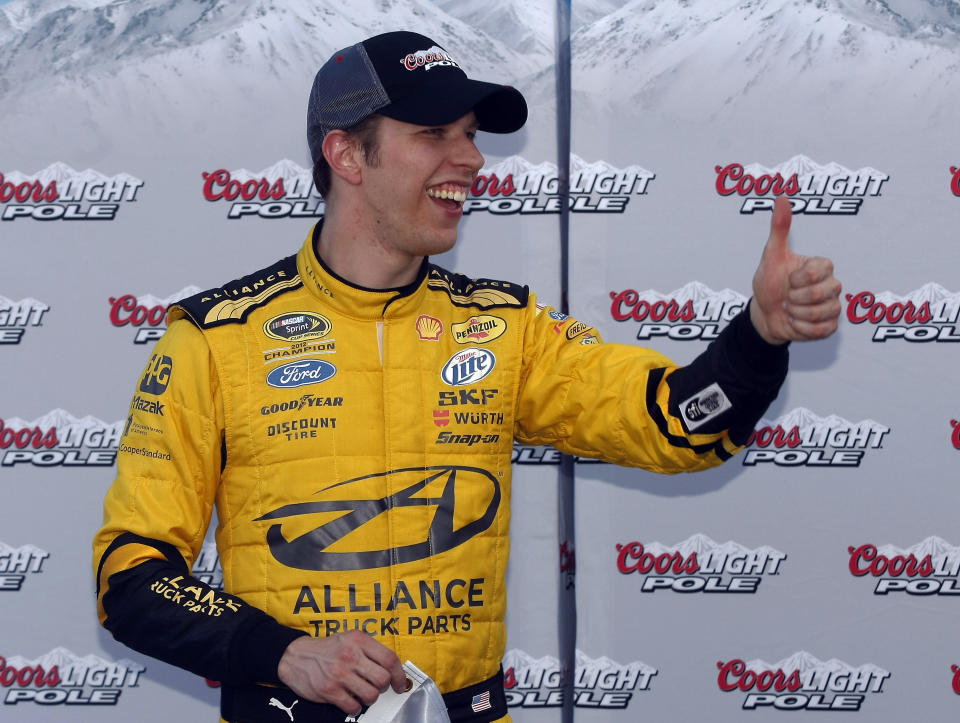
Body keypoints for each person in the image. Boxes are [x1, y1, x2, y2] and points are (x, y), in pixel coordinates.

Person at [92, 30, 841, 723]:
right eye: (434, 134)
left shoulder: (505, 327)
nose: (473, 159)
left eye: (472, 135)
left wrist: (758, 336)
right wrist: (284, 651)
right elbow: (131, 577)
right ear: (347, 156)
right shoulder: (214, 339)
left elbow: (679, 422)